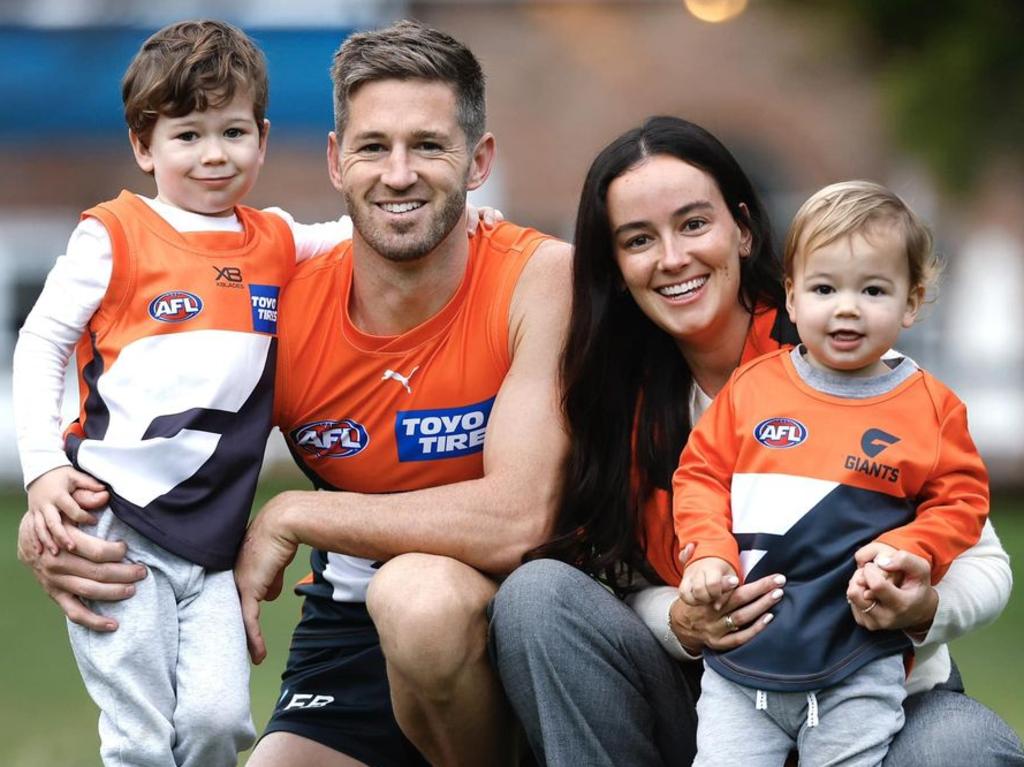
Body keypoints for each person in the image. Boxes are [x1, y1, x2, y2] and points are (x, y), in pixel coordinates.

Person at [17, 19, 571, 767]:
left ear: (479, 162)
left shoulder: (539, 277)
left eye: (430, 146)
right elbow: (129, 396)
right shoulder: (277, 298)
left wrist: (294, 512)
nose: (400, 174)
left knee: (418, 598)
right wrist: (58, 517)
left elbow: (519, 518)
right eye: (375, 146)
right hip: (346, 620)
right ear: (337, 161)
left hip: (506, 619)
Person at [489, 116, 1022, 766]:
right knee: (537, 596)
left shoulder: (847, 360)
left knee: (965, 746)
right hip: (717, 702)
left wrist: (922, 607)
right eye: (638, 238)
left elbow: (983, 559)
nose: (673, 256)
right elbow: (616, 577)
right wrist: (682, 622)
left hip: (873, 691)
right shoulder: (613, 399)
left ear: (742, 228)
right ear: (616, 265)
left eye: (693, 223)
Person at [12, 19, 362, 767]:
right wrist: (42, 467)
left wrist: (473, 219)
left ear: (262, 139)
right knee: (142, 738)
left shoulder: (276, 239)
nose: (213, 154)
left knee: (218, 720)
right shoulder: (115, 235)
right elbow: (39, 344)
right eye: (188, 134)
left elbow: (354, 234)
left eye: (233, 131)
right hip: (112, 528)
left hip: (213, 545)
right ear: (145, 145)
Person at [675, 180, 988, 765]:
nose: (846, 307)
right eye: (824, 288)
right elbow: (699, 477)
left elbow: (961, 502)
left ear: (912, 301)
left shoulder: (933, 408)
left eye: (873, 289)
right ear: (792, 299)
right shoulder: (753, 388)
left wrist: (912, 549)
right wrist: (709, 554)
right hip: (742, 668)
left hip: (858, 663)